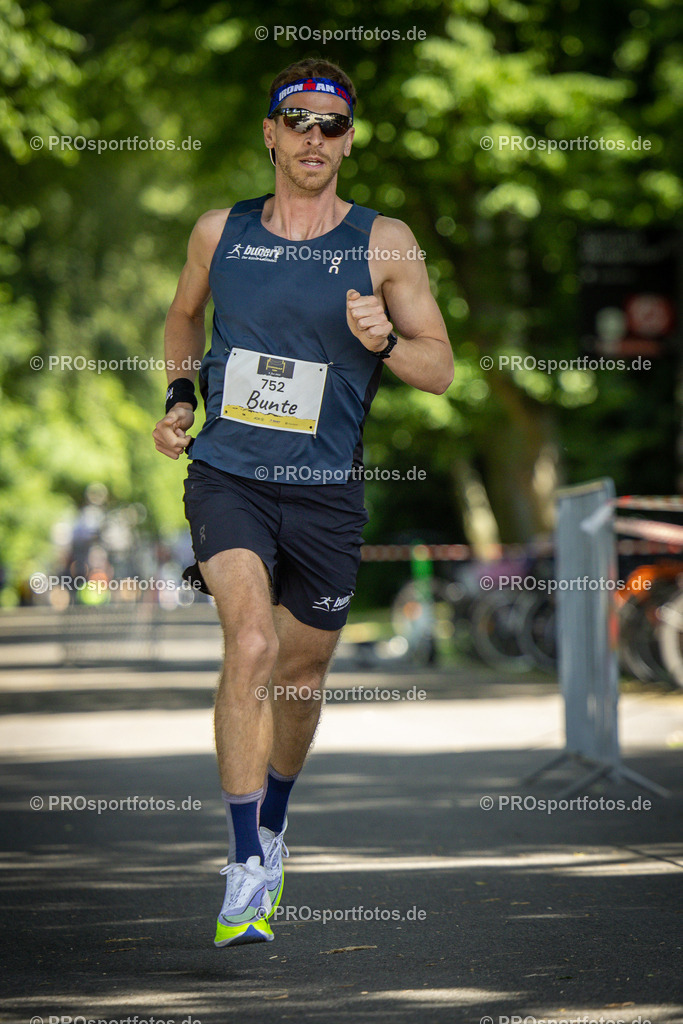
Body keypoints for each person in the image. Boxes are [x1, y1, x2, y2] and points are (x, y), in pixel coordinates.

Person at [152, 56, 453, 948]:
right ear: (271, 134)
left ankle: (274, 820)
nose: (314, 137)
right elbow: (182, 320)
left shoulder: (382, 241)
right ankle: (244, 861)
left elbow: (438, 370)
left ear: (348, 140)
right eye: (299, 120)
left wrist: (386, 336)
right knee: (248, 640)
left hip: (326, 493)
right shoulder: (221, 232)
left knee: (301, 671)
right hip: (229, 476)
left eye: (331, 124)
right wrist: (179, 398)